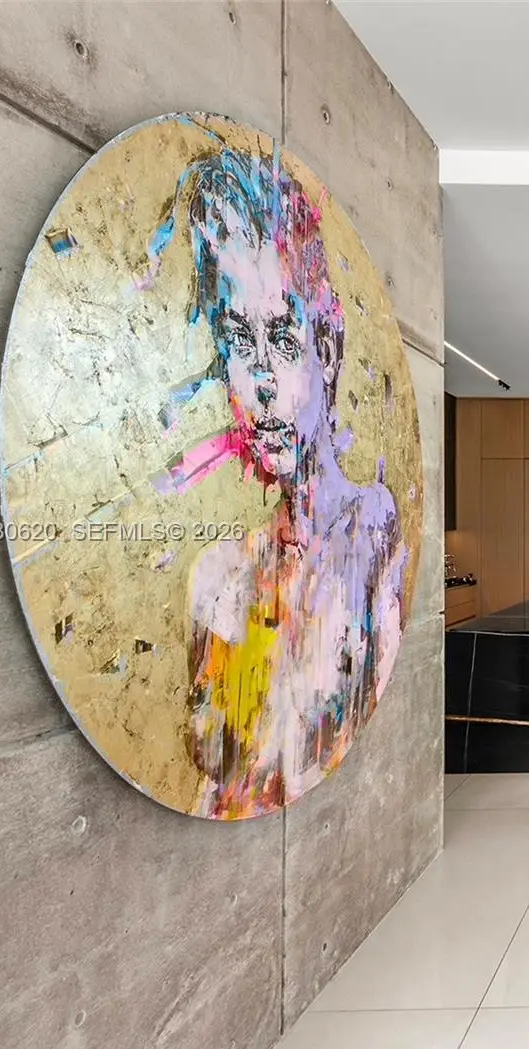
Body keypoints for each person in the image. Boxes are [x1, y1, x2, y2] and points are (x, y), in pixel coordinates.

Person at [145, 144, 406, 818]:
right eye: (239, 340)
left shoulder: (371, 526)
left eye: (283, 340)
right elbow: (217, 791)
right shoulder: (219, 577)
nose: (259, 381)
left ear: (328, 349)